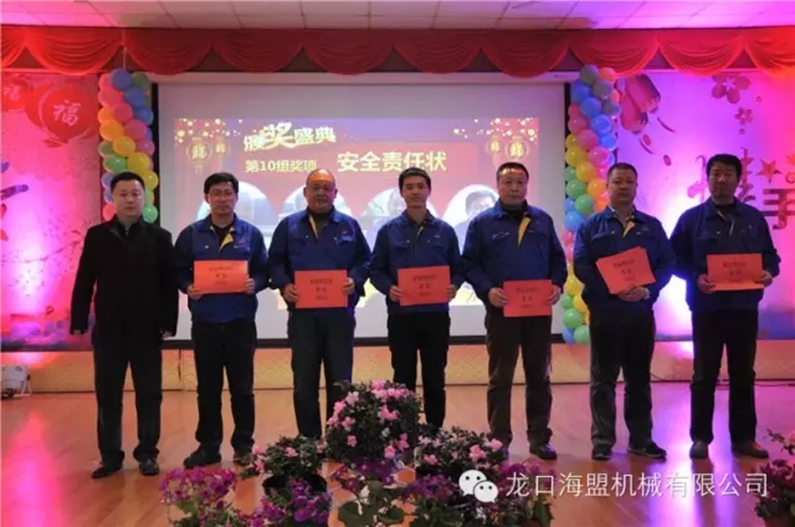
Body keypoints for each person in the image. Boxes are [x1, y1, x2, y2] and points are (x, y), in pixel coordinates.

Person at [670, 153, 780, 460]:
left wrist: (768, 272)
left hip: (744, 307)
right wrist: (696, 276)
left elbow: (770, 256)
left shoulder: (753, 218)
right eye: (715, 173)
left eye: (728, 174)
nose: (721, 179)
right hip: (707, 307)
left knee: (743, 373)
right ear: (707, 178)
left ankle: (744, 438)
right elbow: (673, 258)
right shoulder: (691, 219)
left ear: (738, 179)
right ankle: (700, 438)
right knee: (704, 374)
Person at [70, 171, 178, 479]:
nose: (130, 200)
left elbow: (168, 284)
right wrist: (79, 318)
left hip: (147, 329)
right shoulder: (97, 236)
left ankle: (148, 453)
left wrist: (168, 322)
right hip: (109, 329)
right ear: (112, 198)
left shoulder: (160, 237)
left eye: (136, 194)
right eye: (123, 194)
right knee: (108, 394)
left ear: (145, 198)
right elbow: (84, 279)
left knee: (149, 394)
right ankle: (110, 456)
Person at [461, 162, 567, 460]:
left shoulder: (542, 220)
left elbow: (558, 260)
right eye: (508, 182)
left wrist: (557, 284)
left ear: (526, 186)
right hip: (501, 312)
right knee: (500, 378)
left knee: (539, 377)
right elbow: (469, 263)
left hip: (538, 313)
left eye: (519, 182)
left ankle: (539, 438)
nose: (514, 187)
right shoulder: (482, 223)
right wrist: (487, 290)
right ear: (497, 185)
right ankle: (498, 440)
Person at [573, 162, 674, 461]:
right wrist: (612, 287)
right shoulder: (591, 226)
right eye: (618, 181)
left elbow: (667, 264)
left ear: (636, 186)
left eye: (629, 181)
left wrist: (647, 290)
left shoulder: (651, 226)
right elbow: (582, 266)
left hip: (640, 312)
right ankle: (602, 440)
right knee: (603, 379)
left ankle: (641, 439)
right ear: (608, 185)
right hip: (606, 312)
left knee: (639, 379)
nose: (624, 186)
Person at [175, 172, 269, 468]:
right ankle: (209, 446)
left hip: (240, 322)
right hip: (206, 323)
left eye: (228, 193)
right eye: (216, 193)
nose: (222, 199)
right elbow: (178, 271)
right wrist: (187, 286)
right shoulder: (191, 234)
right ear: (207, 198)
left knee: (242, 388)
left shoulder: (251, 234)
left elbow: (264, 270)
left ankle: (243, 445)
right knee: (207, 388)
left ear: (236, 197)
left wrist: (256, 283)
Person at [268, 169, 371, 439]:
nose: (321, 193)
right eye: (315, 187)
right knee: (304, 382)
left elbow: (365, 260)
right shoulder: (288, 226)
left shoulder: (349, 225)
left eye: (327, 188)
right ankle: (309, 441)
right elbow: (275, 262)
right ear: (305, 192)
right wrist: (284, 284)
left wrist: (355, 279)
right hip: (303, 317)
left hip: (339, 316)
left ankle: (338, 439)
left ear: (336, 193)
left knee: (340, 381)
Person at [369, 167, 465, 430]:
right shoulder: (388, 231)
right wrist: (389, 288)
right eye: (409, 187)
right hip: (402, 316)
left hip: (436, 316)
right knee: (403, 378)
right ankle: (404, 433)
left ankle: (434, 433)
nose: (415, 192)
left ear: (429, 190)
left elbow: (459, 269)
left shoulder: (445, 231)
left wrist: (454, 285)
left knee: (435, 377)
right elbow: (375, 270)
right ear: (402, 192)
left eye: (420, 186)